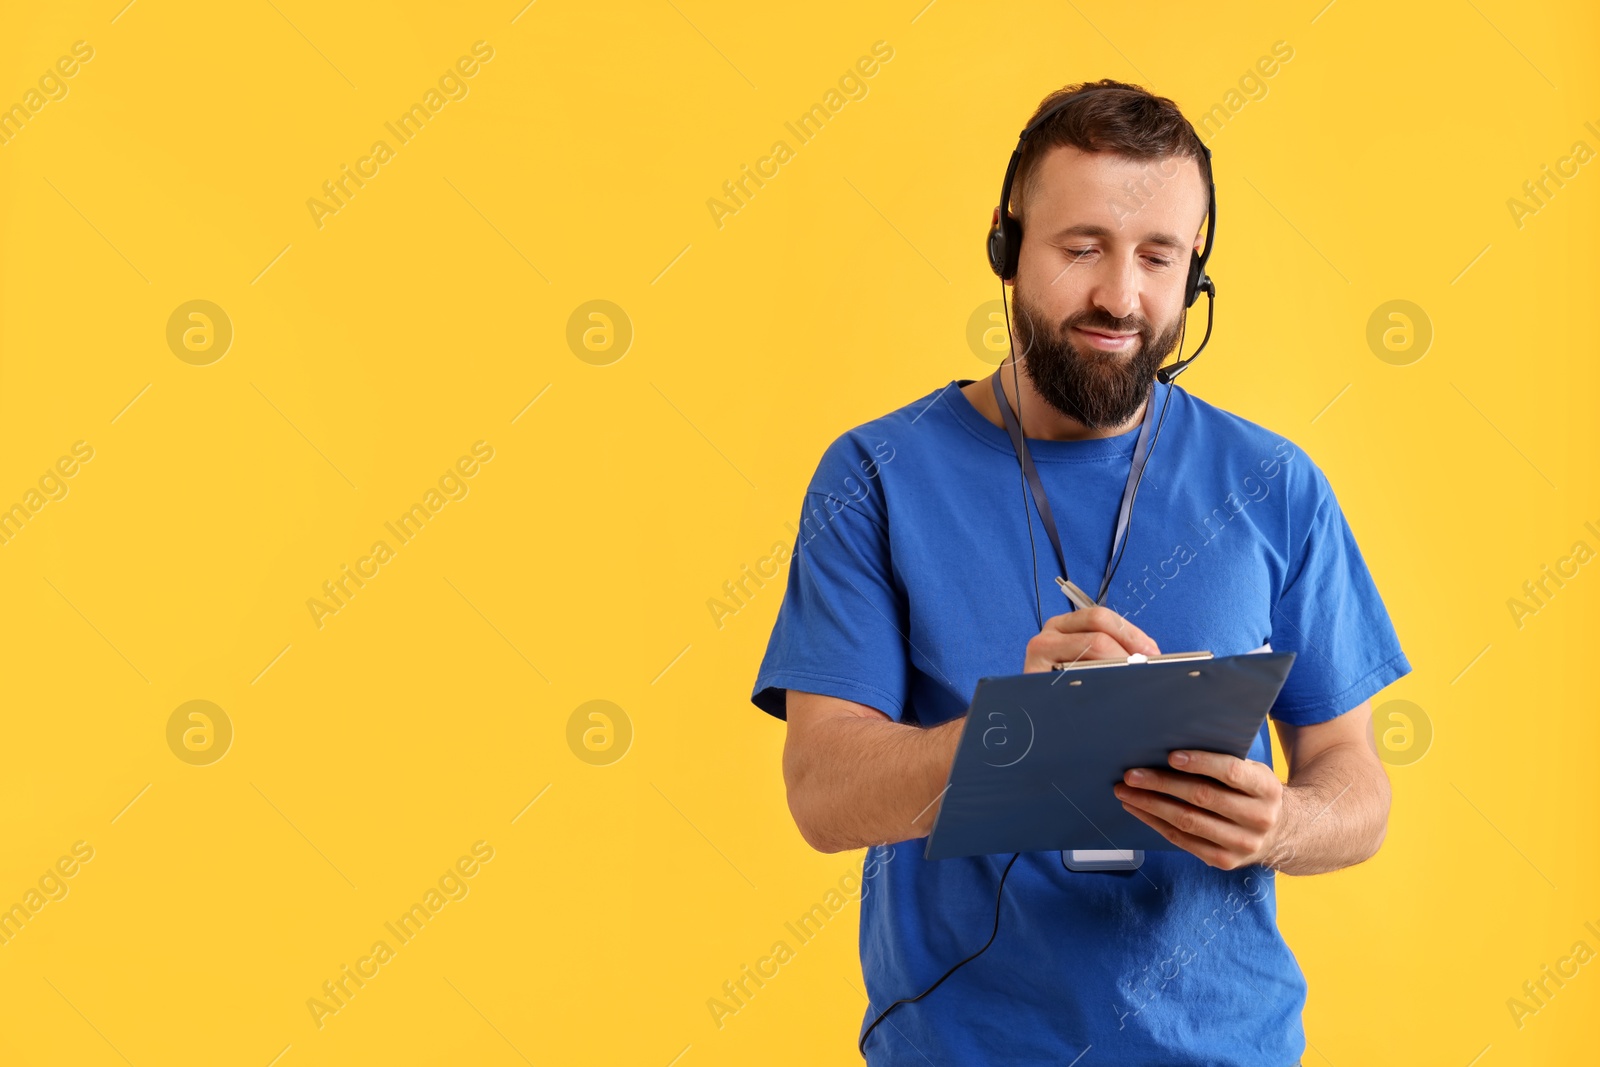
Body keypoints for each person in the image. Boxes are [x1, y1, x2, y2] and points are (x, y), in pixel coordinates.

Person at [748, 79, 1411, 1066]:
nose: (1120, 295)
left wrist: (1283, 821)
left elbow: (1353, 782)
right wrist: (1016, 736)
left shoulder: (1273, 482)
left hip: (1230, 1047)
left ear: (1195, 276)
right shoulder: (874, 476)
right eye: (1082, 247)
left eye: (1158, 257)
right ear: (1006, 248)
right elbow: (821, 791)